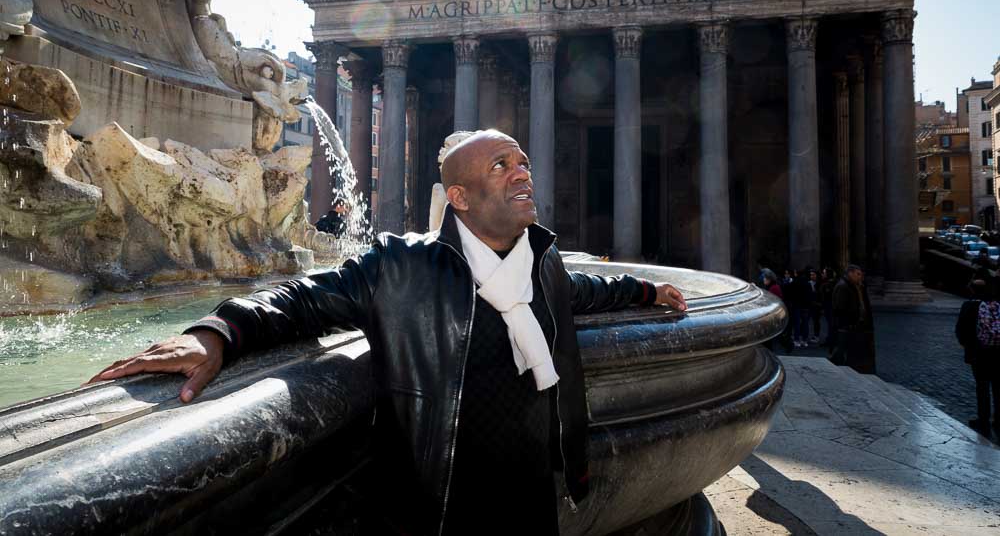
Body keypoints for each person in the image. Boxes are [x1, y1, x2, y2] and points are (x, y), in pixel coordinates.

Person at [90, 130, 687, 536]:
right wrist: (217, 332)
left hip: (531, 492)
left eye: (522, 161)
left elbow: (583, 294)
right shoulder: (402, 267)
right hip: (442, 499)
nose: (521, 172)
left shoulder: (543, 258)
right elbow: (303, 298)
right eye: (500, 166)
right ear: (459, 197)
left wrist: (645, 291)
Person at [955, 276, 1000, 438]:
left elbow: (961, 330)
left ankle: (983, 418)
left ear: (972, 289)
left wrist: (967, 346)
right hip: (998, 350)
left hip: (979, 352)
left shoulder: (969, 306)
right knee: (997, 385)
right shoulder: (997, 305)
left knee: (982, 386)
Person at [829, 265, 876, 374]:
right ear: (850, 273)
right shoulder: (843, 286)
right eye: (858, 274)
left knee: (850, 352)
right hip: (847, 326)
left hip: (857, 326)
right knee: (843, 352)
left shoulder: (858, 286)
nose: (861, 276)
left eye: (861, 274)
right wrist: (849, 321)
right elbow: (839, 308)